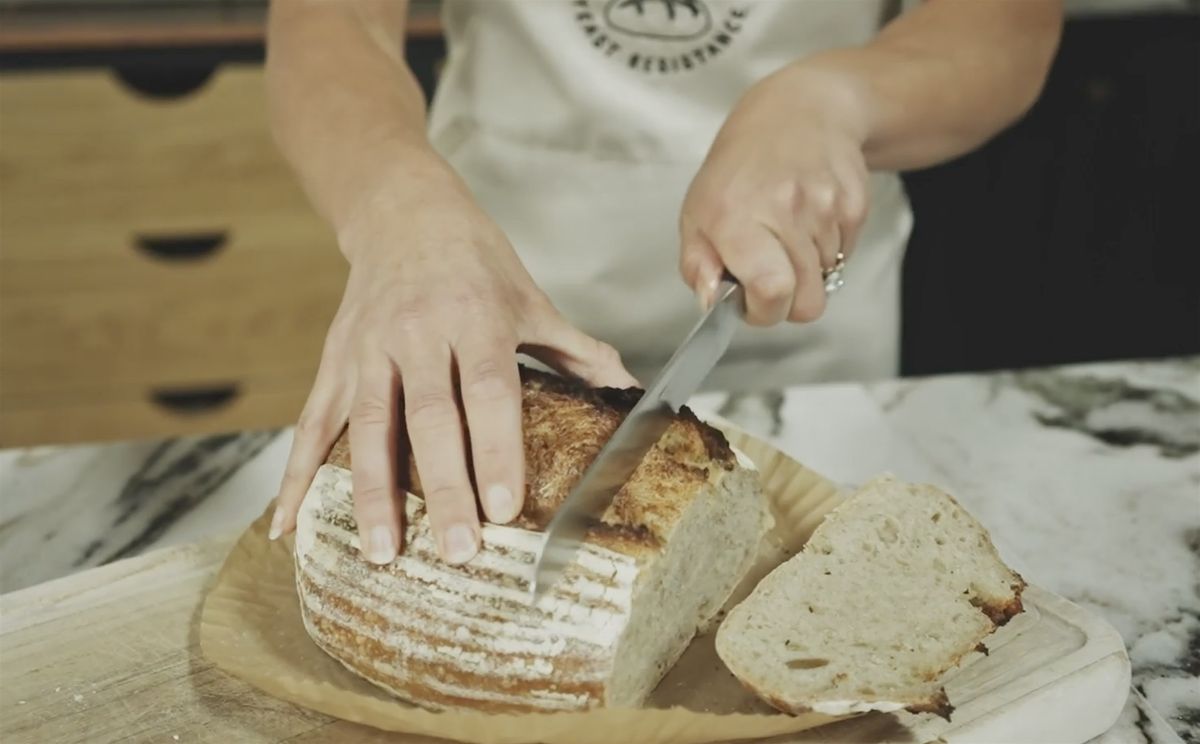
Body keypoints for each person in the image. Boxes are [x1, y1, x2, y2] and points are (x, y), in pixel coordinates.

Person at [264, 0, 1062, 568]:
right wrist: (398, 208)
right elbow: (330, 21)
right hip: (478, 330)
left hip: (809, 355)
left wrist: (832, 97)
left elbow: (1002, 24)